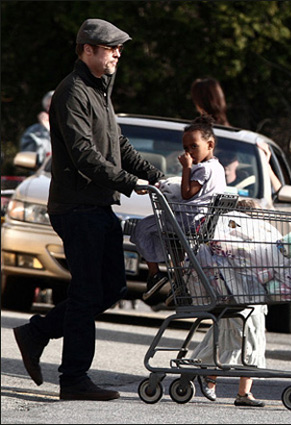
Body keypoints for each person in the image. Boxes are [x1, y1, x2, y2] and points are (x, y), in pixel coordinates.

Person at [12, 18, 165, 401]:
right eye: (111, 48)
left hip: (97, 205)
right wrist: (129, 182)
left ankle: (36, 333)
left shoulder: (99, 89)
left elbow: (117, 143)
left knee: (111, 287)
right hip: (77, 206)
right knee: (86, 292)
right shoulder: (73, 92)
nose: (117, 54)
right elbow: (84, 155)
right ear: (87, 50)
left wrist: (153, 175)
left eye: (119, 48)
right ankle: (74, 379)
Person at [190, 79, 267, 407]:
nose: (189, 152)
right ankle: (226, 379)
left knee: (243, 314)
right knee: (247, 313)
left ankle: (212, 371)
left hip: (227, 248)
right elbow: (199, 199)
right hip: (220, 253)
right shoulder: (207, 163)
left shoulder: (210, 158)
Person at [131, 115, 227, 305]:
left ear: (210, 145)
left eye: (194, 147)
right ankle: (180, 283)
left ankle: (155, 274)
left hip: (188, 219)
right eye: (186, 148)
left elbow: (187, 194)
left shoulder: (203, 169)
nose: (189, 152)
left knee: (140, 229)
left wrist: (186, 168)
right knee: (174, 241)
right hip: (198, 221)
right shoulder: (217, 167)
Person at [191, 198, 266, 408]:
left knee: (241, 339)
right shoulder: (234, 242)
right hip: (241, 298)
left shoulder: (234, 241)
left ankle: (238, 389)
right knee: (244, 340)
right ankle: (216, 380)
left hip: (241, 297)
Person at [191, 77, 282, 193]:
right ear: (221, 100)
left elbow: (280, 191)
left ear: (198, 105)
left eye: (227, 158)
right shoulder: (239, 139)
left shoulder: (193, 136)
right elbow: (279, 190)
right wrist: (264, 163)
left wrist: (264, 163)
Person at [19, 90, 54, 165]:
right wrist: (47, 129)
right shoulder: (34, 131)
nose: (51, 109)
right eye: (49, 106)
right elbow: (29, 158)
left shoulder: (74, 126)